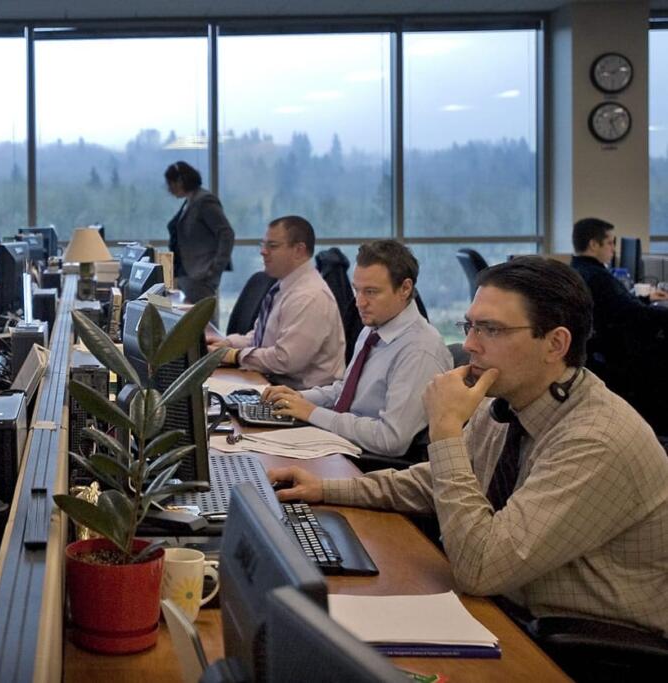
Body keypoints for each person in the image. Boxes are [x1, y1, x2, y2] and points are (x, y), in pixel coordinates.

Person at [270, 257, 668, 637]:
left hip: (576, 646)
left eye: (491, 330)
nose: (471, 345)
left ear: (555, 344)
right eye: (470, 326)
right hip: (506, 609)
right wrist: (326, 488)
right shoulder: (507, 401)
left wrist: (444, 428)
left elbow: (479, 568)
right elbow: (440, 479)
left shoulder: (596, 440)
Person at [263, 241, 451, 456]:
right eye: (357, 290)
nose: (359, 302)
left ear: (405, 289)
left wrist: (313, 413)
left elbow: (391, 439)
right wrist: (299, 398)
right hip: (345, 444)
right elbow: (346, 391)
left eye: (371, 292)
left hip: (371, 466)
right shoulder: (376, 327)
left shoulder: (419, 350)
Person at [207, 215, 344, 390]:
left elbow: (285, 360)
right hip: (274, 387)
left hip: (302, 399)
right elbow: (261, 338)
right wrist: (228, 343)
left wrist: (234, 356)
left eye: (272, 246)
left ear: (298, 251)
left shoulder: (310, 296)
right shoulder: (285, 286)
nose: (263, 251)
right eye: (263, 245)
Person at [570, 217, 668, 434]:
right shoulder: (597, 276)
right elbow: (633, 314)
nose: (614, 249)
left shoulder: (578, 270)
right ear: (594, 244)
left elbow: (621, 307)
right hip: (618, 358)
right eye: (610, 243)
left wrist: (645, 299)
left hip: (601, 352)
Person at [165, 161, 235, 303]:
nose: (169, 189)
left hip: (200, 274)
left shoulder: (204, 201)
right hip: (189, 274)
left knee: (202, 321)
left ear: (179, 181)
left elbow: (226, 233)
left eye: (170, 183)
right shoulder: (190, 201)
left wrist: (214, 269)